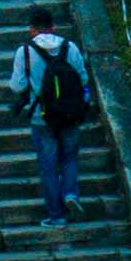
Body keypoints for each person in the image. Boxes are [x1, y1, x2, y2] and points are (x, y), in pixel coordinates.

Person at [17, 18, 101, 225]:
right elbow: (82, 78)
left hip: (42, 116)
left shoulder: (25, 52)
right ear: (54, 27)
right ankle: (71, 194)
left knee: (49, 167)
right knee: (70, 159)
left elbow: (17, 85)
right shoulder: (69, 47)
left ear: (32, 30)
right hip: (71, 114)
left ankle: (56, 216)